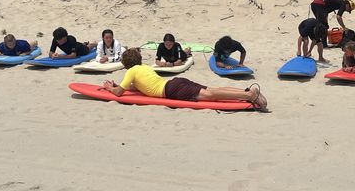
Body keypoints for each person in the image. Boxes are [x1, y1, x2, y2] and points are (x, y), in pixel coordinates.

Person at [103, 48, 268, 111]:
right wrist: (121, 86)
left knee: (211, 96)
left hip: (171, 90)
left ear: (126, 64)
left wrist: (110, 87)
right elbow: (138, 87)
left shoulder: (131, 71)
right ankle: (246, 92)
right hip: (176, 82)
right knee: (212, 91)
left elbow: (118, 93)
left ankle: (249, 96)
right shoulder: (144, 68)